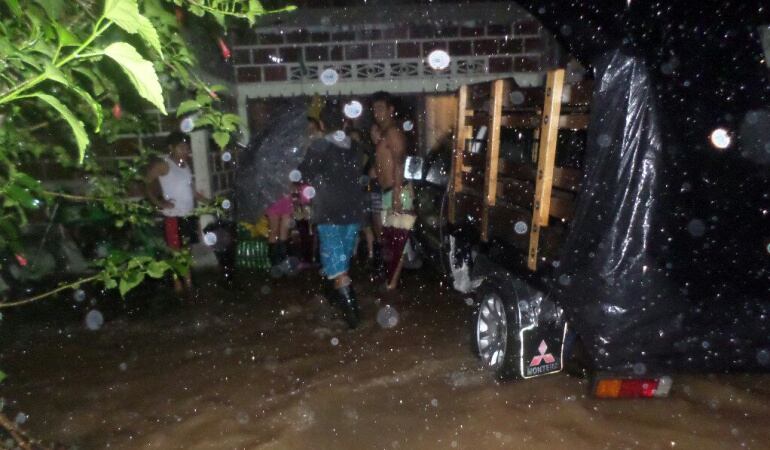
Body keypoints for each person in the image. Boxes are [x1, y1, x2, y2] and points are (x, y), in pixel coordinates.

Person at [299, 101, 366, 328]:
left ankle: (354, 322)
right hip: (353, 213)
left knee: (338, 271)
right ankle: (334, 303)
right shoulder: (356, 148)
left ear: (323, 123)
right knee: (340, 265)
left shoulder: (319, 147)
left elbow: (304, 174)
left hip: (329, 214)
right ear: (345, 122)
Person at [145, 131, 204, 294]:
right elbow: (147, 183)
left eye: (187, 148)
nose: (185, 151)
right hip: (173, 217)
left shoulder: (186, 166)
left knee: (187, 250)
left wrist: (209, 203)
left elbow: (192, 191)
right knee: (176, 251)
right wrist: (159, 203)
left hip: (188, 214)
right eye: (181, 148)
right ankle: (179, 283)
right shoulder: (164, 165)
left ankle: (188, 282)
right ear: (171, 148)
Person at [371, 91, 413, 290]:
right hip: (387, 190)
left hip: (397, 190)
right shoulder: (382, 133)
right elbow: (382, 163)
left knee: (398, 238)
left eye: (381, 108)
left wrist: (396, 193)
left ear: (391, 110)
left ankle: (392, 284)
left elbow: (400, 162)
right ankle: (391, 280)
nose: (376, 112)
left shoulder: (393, 132)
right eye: (374, 109)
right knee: (389, 238)